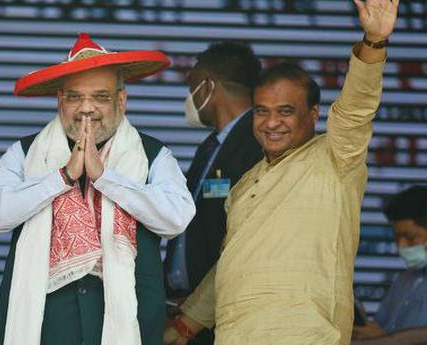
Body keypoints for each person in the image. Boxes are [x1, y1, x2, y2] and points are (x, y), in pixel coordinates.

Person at [164, 0, 399, 344]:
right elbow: (231, 266)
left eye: (286, 111)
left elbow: (356, 108)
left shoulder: (335, 158)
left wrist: (374, 42)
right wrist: (185, 326)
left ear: (313, 114)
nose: (271, 123)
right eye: (262, 111)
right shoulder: (245, 184)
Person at [0, 33, 195, 345]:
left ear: (122, 100)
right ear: (59, 101)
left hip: (126, 314)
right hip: (45, 320)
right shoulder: (24, 153)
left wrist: (105, 178)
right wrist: (62, 177)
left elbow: (176, 218)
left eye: (101, 97)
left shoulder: (152, 154)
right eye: (74, 97)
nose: (86, 109)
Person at [163, 42, 263, 344]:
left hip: (222, 314)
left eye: (192, 87)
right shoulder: (211, 146)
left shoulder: (256, 142)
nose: (189, 99)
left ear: (208, 86)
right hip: (186, 310)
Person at [352, 185, 427, 345]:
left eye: (410, 236)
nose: (400, 245)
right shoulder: (404, 280)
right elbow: (381, 327)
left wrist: (385, 338)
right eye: (397, 236)